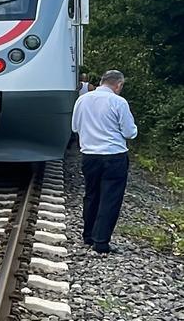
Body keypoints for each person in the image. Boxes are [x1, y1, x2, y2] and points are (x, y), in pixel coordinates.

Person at [72, 69, 137, 254]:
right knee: (110, 198)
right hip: (114, 155)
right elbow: (129, 132)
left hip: (89, 155)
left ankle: (88, 235)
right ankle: (101, 242)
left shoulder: (82, 100)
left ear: (102, 82)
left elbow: (75, 127)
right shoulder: (119, 102)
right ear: (119, 84)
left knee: (91, 194)